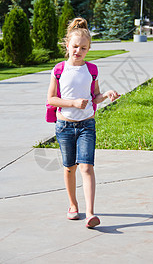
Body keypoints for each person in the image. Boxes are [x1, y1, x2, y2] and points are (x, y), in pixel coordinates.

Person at [47, 17, 120, 228]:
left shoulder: (92, 70)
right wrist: (73, 103)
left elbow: (94, 96)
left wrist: (105, 95)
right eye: (75, 46)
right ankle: (73, 205)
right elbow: (51, 99)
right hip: (65, 126)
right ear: (67, 45)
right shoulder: (59, 70)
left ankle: (90, 213)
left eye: (84, 48)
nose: (79, 51)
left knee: (86, 167)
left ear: (89, 49)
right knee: (70, 167)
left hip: (87, 125)